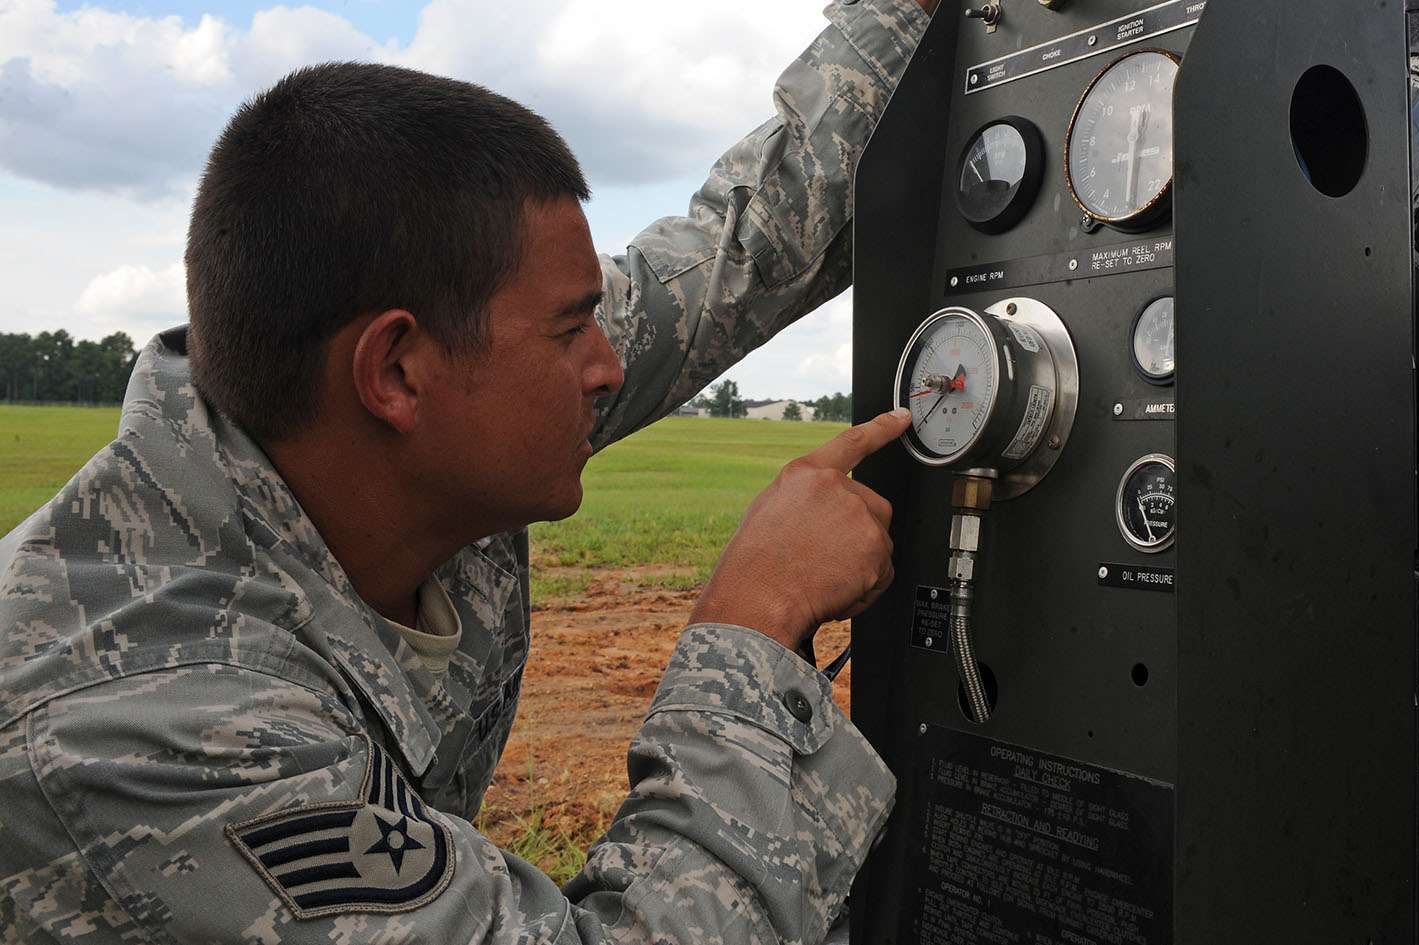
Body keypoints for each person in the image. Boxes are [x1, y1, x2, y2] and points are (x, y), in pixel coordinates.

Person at [0, 0, 934, 941]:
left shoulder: (378, 430)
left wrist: (909, 14)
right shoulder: (150, 727)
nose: (608, 366)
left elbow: (741, 250)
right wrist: (754, 623)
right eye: (572, 329)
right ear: (397, 371)